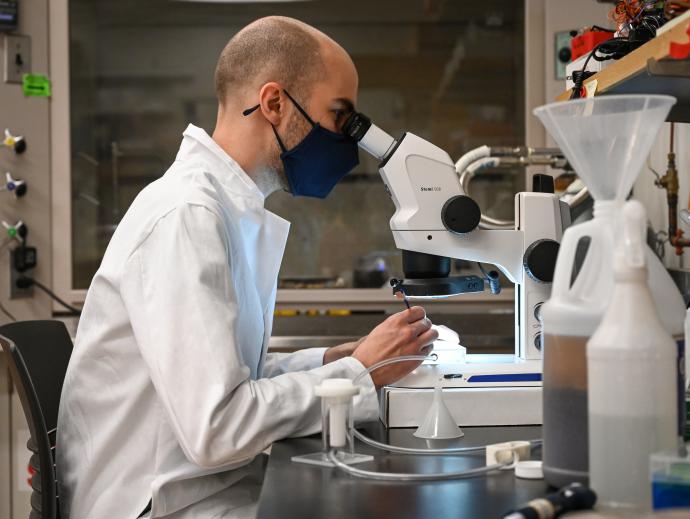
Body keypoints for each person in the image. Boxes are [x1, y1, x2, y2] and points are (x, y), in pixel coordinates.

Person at [57, 16, 438, 519]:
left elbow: (235, 379)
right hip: (159, 504)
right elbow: (217, 428)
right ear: (274, 102)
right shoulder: (187, 215)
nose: (346, 140)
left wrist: (333, 360)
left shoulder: (222, 208)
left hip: (197, 486)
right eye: (339, 117)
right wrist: (360, 371)